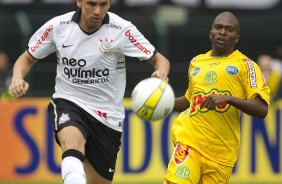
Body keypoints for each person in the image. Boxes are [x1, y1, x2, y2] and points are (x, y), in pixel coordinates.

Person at [9, 0, 170, 184]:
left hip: (107, 116)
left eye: (103, 4)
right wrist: (17, 77)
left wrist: (161, 73)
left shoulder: (122, 29)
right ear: (79, 2)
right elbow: (26, 58)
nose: (97, 11)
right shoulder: (58, 26)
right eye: (91, 4)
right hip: (69, 101)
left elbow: (161, 60)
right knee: (72, 143)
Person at [164, 11, 270, 184]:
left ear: (237, 38)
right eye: (218, 28)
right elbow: (189, 100)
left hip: (221, 153)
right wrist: (162, 102)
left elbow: (262, 109)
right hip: (190, 141)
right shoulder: (196, 62)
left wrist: (229, 99)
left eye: (229, 30)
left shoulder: (246, 65)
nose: (222, 32)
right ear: (210, 33)